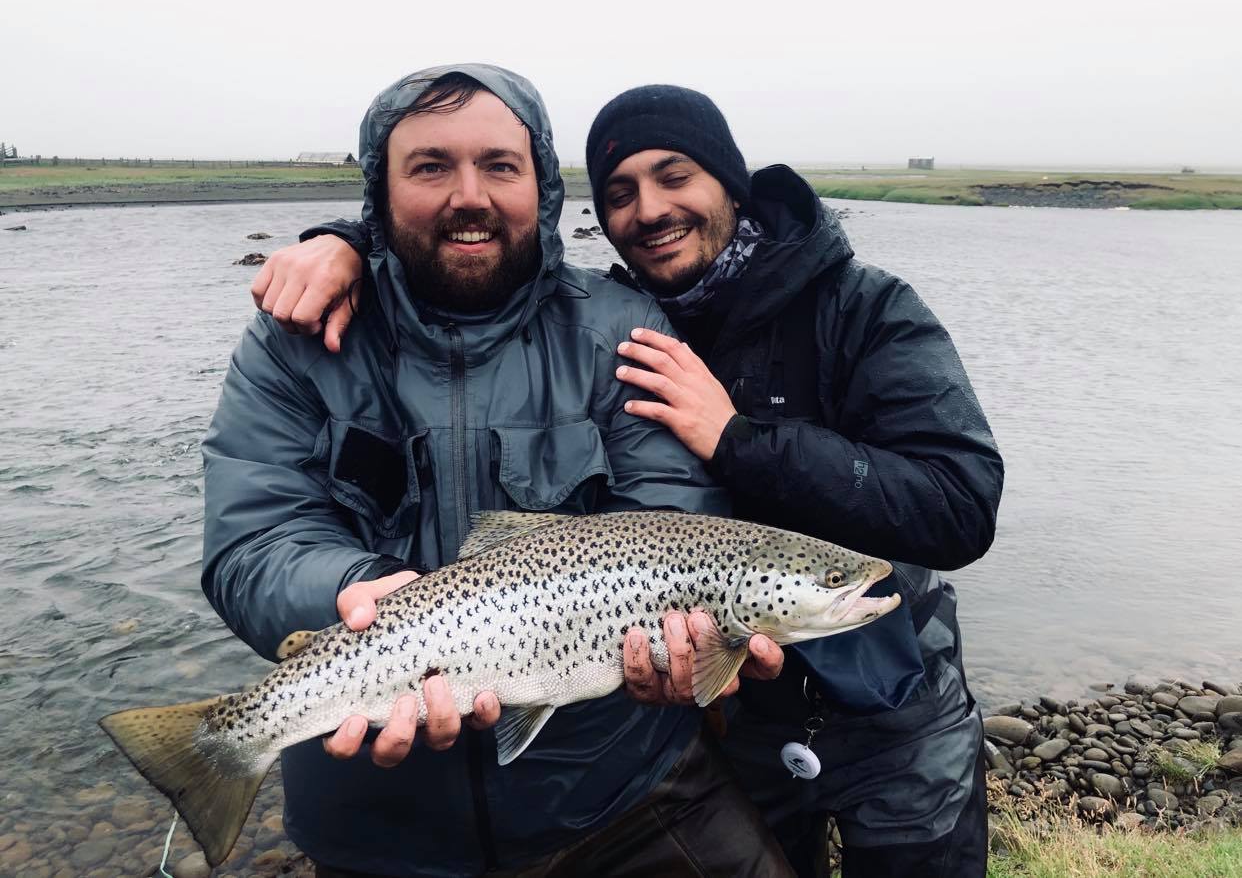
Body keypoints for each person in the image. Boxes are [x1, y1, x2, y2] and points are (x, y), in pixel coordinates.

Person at [257, 85, 1004, 878]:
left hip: (897, 719)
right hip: (732, 726)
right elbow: (468, 250)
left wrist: (738, 440)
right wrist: (349, 242)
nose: (648, 209)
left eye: (675, 176)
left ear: (729, 182)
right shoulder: (626, 317)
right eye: (619, 193)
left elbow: (960, 507)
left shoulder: (865, 309)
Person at [203, 64, 794, 878]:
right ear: (379, 194)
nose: (469, 195)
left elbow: (672, 517)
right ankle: (215, 752)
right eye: (431, 166)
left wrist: (685, 650)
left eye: (500, 166)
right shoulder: (293, 337)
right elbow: (251, 541)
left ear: (542, 188)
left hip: (624, 795)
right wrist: (354, 590)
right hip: (377, 823)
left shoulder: (624, 328)